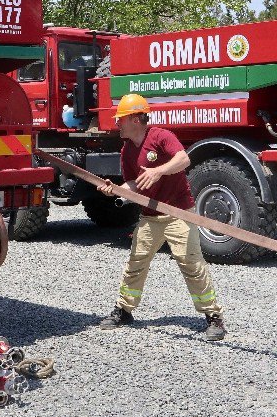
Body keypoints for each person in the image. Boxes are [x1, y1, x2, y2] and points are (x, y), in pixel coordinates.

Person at [96, 94, 227, 342]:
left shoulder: (161, 137)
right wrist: (116, 190)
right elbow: (135, 184)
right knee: (136, 263)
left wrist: (158, 171)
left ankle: (213, 317)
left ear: (136, 119)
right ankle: (124, 310)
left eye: (121, 119)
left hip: (178, 213)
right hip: (150, 216)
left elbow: (184, 159)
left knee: (192, 265)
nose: (117, 124)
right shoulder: (127, 151)